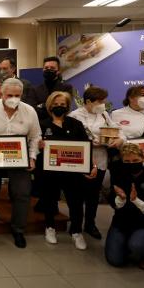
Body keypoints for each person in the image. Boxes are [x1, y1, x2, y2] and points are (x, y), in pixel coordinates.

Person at [0, 78, 42, 248]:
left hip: (19, 155)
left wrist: (32, 157)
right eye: (9, 95)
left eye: (17, 95)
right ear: (1, 93)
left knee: (22, 192)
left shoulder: (30, 111)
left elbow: (35, 136)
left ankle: (18, 229)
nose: (13, 98)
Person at [36, 91, 94, 250]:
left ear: (67, 106)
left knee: (75, 202)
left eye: (62, 105)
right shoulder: (42, 124)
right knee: (49, 200)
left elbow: (85, 147)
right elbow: (33, 146)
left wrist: (91, 166)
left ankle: (76, 231)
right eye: (55, 105)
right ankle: (50, 228)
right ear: (49, 106)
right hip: (49, 171)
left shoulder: (76, 124)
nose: (59, 107)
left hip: (73, 172)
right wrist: (38, 145)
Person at [68, 86, 125, 240]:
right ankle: (75, 226)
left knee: (93, 195)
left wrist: (120, 139)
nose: (103, 104)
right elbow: (73, 138)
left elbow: (118, 131)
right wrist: (93, 142)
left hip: (100, 160)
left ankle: (90, 224)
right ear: (88, 101)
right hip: (81, 160)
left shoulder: (104, 114)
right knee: (77, 196)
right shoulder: (75, 116)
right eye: (100, 101)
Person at [106, 143, 144, 270]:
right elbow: (112, 201)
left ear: (143, 159)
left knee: (137, 244)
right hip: (122, 224)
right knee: (115, 260)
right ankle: (128, 244)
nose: (131, 164)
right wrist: (120, 199)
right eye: (127, 161)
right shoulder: (119, 177)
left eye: (135, 160)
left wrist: (137, 201)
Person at [29, 56, 73, 121]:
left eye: (52, 68)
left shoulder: (66, 88)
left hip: (61, 124)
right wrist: (54, 105)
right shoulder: (35, 90)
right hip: (41, 125)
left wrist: (42, 105)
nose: (49, 69)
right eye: (46, 68)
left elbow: (65, 108)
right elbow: (33, 110)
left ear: (58, 71)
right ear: (43, 70)